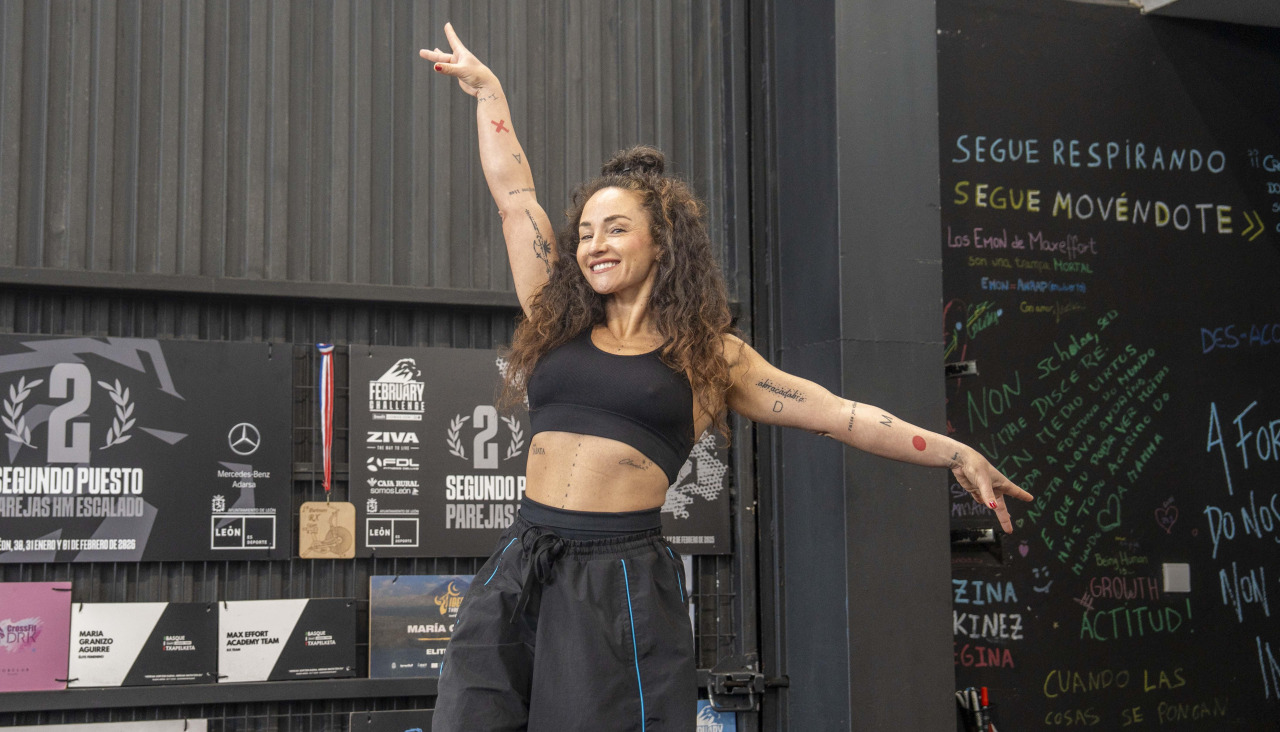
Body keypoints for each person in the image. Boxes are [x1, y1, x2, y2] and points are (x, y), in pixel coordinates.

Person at [419, 23, 1032, 732]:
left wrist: (956, 451)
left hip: (618, 579)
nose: (592, 246)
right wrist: (488, 91)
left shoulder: (712, 359)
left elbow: (843, 416)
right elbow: (514, 196)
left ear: (662, 239)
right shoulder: (555, 317)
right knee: (470, 718)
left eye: (614, 228)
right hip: (525, 559)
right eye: (585, 231)